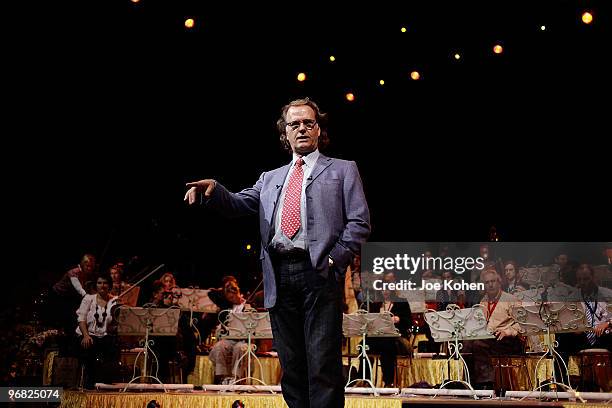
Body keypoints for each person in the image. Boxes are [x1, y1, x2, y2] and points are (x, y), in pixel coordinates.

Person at [184, 97, 371, 407]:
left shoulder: (343, 169)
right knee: (292, 364)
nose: (301, 129)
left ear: (318, 129)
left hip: (318, 273)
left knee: (323, 362)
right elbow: (239, 203)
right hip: (279, 275)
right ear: (285, 133)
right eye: (293, 124)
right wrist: (214, 189)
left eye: (308, 123)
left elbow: (359, 222)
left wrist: (332, 259)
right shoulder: (270, 178)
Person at [465, 268, 523, 390]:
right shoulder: (483, 301)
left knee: (478, 344)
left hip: (509, 340)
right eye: (487, 282)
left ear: (499, 282)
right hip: (490, 338)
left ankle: (485, 384)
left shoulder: (511, 299)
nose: (490, 284)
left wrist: (507, 331)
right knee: (466, 344)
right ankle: (469, 382)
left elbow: (523, 323)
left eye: (493, 281)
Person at [75, 273, 120, 388]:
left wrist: (119, 309)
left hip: (105, 335)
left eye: (105, 283)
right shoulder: (88, 298)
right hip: (88, 334)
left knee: (113, 348)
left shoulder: (114, 301)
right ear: (96, 285)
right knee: (89, 347)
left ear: (109, 285)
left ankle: (107, 384)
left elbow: (116, 322)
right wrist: (85, 335)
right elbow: (81, 319)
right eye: (99, 283)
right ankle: (88, 384)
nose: (102, 285)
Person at [49, 254, 97, 352]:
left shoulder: (87, 275)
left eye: (91, 267)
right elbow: (79, 288)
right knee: (68, 318)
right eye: (87, 266)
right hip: (58, 296)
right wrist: (89, 297)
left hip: (70, 297)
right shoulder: (73, 272)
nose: (89, 268)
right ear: (82, 265)